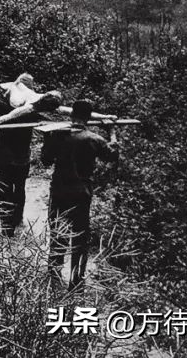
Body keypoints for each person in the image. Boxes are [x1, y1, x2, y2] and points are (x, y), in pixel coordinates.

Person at [39, 99, 119, 290]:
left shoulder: (58, 136)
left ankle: (54, 274)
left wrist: (47, 139)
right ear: (89, 117)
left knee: (58, 231)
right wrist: (112, 132)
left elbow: (45, 161)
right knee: (80, 236)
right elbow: (113, 155)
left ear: (72, 114)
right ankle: (76, 280)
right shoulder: (94, 139)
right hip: (81, 193)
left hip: (59, 190)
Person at [0, 74, 62, 237]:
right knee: (19, 188)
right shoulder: (34, 111)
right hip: (22, 157)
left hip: (5, 157)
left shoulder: (5, 107)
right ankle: (17, 220)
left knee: (4, 190)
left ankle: (7, 228)